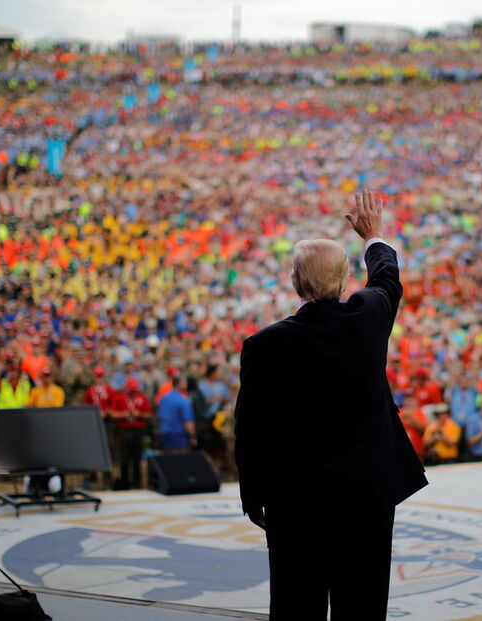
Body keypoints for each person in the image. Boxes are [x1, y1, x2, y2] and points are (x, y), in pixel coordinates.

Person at [234, 191, 427, 619]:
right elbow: (386, 279)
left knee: (296, 604)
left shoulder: (264, 345)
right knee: (361, 605)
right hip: (367, 496)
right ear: (343, 283)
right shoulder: (369, 318)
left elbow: (250, 429)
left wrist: (253, 494)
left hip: (295, 501)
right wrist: (372, 235)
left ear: (295, 282)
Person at [110, 377, 152, 489]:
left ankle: (137, 483)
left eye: (134, 390)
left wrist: (139, 414)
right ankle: (124, 483)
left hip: (138, 431)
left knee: (137, 458)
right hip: (124, 431)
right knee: (123, 459)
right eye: (131, 390)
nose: (133, 393)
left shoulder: (143, 398)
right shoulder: (120, 398)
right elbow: (113, 414)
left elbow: (148, 414)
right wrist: (125, 414)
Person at [156, 375, 196, 453]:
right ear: (178, 384)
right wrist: (193, 437)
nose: (186, 383)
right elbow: (188, 423)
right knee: (181, 461)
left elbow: (160, 416)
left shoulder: (164, 398)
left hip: (165, 434)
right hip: (180, 436)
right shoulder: (183, 401)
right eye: (184, 382)